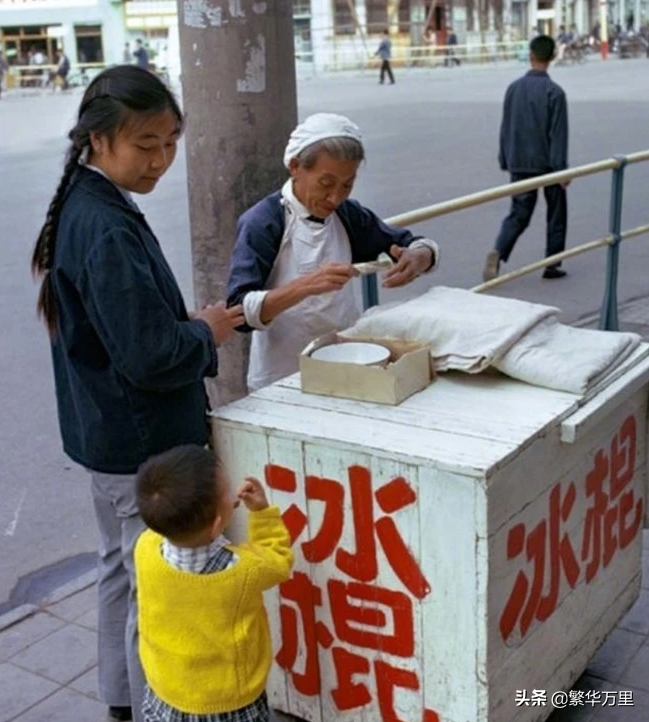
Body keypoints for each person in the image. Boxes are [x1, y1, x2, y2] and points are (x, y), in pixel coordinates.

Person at [30, 65, 245, 722]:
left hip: (105, 439)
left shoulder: (86, 204)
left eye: (171, 140)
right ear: (98, 140)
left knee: (120, 576)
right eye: (144, 143)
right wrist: (202, 332)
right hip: (139, 448)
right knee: (149, 591)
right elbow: (151, 356)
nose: (161, 159)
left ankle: (120, 702)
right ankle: (145, 708)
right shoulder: (105, 225)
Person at [227, 112, 440, 392]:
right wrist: (305, 286)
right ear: (295, 167)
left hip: (346, 363)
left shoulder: (347, 215)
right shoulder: (264, 222)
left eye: (347, 185)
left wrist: (418, 256)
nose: (335, 197)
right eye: (326, 184)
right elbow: (238, 311)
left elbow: (411, 243)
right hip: (281, 375)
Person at [135, 444, 293, 722]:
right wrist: (262, 513)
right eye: (227, 492)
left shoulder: (145, 547)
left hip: (167, 693)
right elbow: (279, 560)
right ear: (218, 523)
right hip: (229, 703)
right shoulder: (241, 570)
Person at [483, 35, 569, 282]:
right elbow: (558, 134)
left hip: (520, 161)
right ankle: (552, 263)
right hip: (548, 164)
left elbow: (506, 126)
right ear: (552, 57)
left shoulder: (513, 88)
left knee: (519, 213)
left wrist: (505, 158)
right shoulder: (555, 93)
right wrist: (561, 169)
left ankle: (498, 252)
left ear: (531, 55)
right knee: (556, 213)